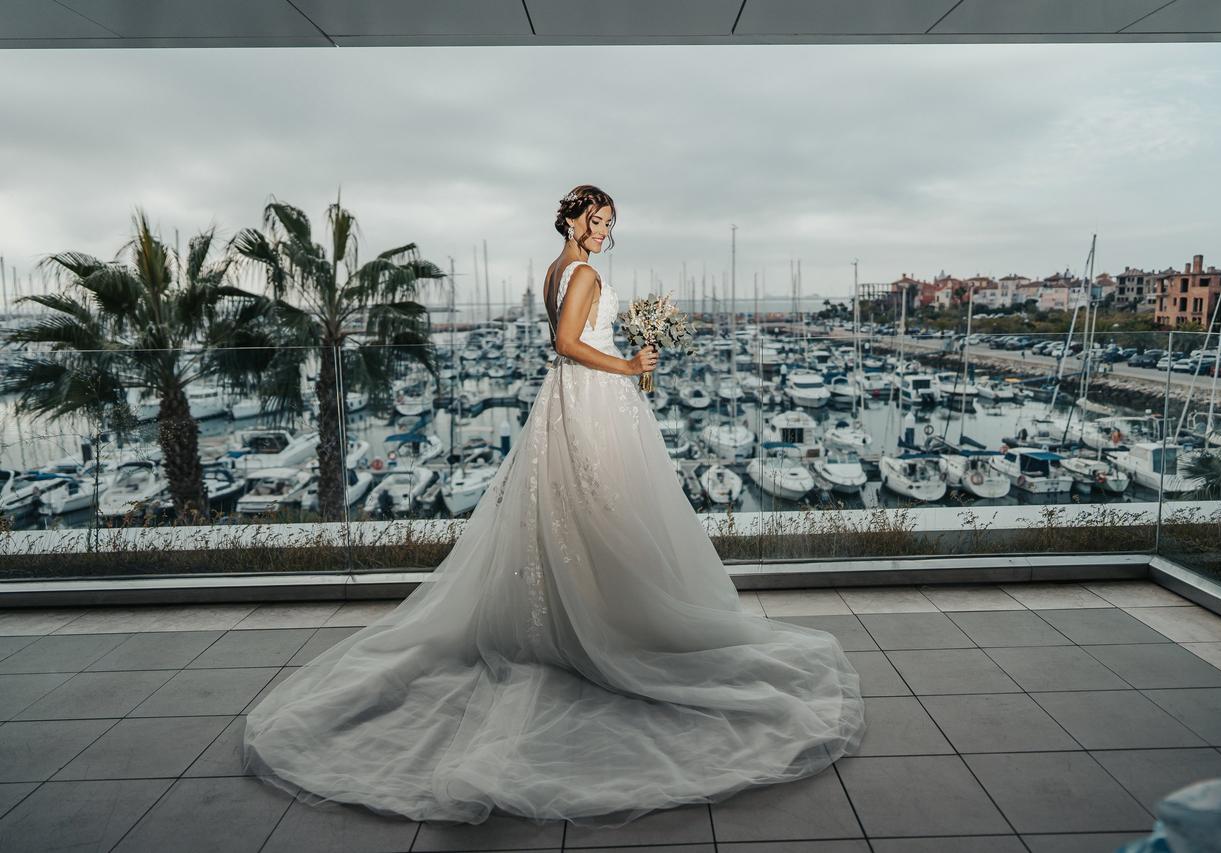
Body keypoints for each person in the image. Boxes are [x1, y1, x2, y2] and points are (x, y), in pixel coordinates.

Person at [242, 184, 866, 829]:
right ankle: (612, 626)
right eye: (595, 220)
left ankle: (578, 619)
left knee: (573, 506)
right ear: (570, 219)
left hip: (566, 399)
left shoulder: (555, 271)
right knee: (609, 504)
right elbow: (569, 343)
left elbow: (563, 338)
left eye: (610, 223)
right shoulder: (586, 272)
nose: (603, 232)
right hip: (595, 396)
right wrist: (629, 365)